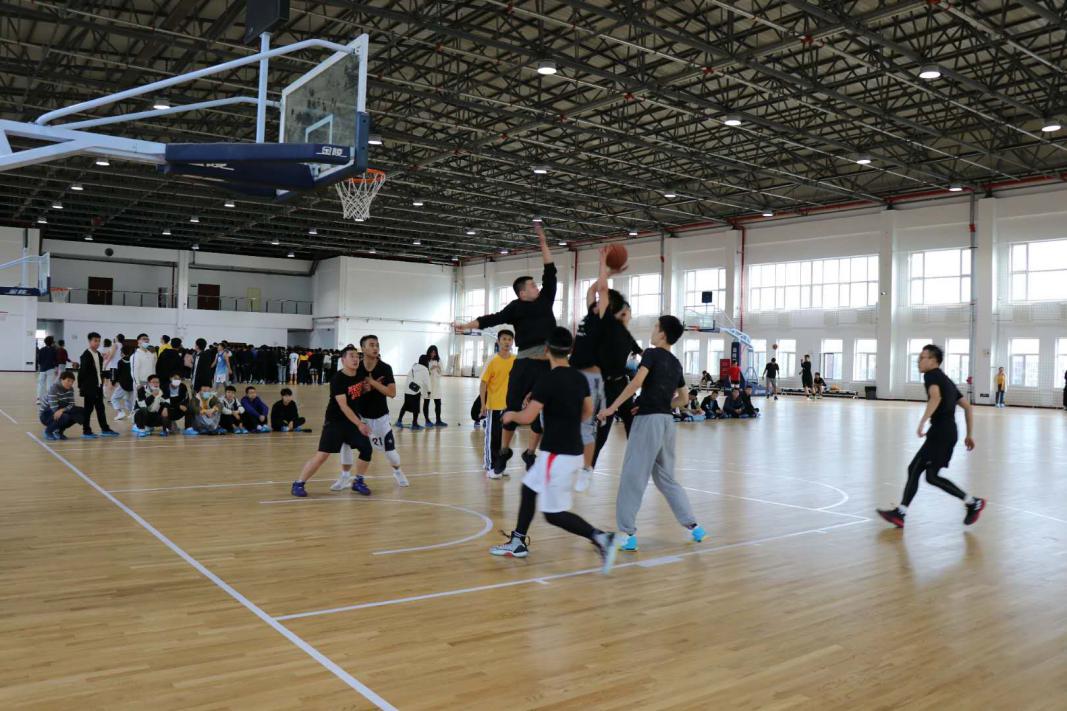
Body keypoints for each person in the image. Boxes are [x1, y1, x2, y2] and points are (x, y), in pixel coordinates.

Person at [489, 327, 617, 572]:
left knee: (553, 514)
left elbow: (528, 417)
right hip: (570, 452)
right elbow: (587, 411)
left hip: (556, 455)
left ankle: (601, 537)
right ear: (569, 350)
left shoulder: (547, 379)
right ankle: (518, 542)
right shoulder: (579, 378)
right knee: (528, 488)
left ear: (546, 349)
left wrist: (510, 415)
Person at [455, 223, 556, 475]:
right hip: (524, 364)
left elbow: (550, 269)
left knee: (542, 413)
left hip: (547, 364)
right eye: (532, 285)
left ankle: (530, 453)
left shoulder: (546, 299)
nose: (537, 287)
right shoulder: (515, 307)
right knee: (511, 409)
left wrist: (543, 241)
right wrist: (467, 325)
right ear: (522, 293)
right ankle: (503, 453)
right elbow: (492, 318)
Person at [599, 315, 706, 552]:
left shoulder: (651, 353)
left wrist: (612, 407)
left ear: (663, 334)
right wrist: (661, 405)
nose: (652, 330)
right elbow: (684, 398)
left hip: (648, 423)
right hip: (667, 423)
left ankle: (627, 534)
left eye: (656, 327)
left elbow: (636, 383)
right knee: (666, 478)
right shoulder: (676, 363)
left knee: (633, 475)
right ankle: (694, 527)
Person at [877, 344, 985, 528]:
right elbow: (967, 407)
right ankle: (973, 502)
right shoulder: (946, 380)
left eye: (922, 358)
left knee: (915, 468)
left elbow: (936, 397)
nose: (918, 361)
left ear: (934, 360)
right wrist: (969, 435)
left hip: (940, 432)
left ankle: (901, 513)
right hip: (949, 432)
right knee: (931, 476)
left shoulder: (931, 376)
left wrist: (922, 421)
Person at [569, 247, 626, 491]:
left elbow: (601, 290)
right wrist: (609, 272)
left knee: (588, 426)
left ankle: (587, 469)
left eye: (603, 300)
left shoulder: (604, 320)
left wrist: (604, 264)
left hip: (592, 380)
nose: (597, 299)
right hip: (574, 375)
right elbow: (592, 290)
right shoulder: (590, 315)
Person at [292, 345, 375, 497]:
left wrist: (365, 389)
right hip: (335, 422)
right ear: (343, 360)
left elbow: (355, 393)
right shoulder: (337, 379)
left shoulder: (360, 374)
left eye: (357, 356)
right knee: (322, 455)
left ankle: (358, 481)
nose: (355, 359)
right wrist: (360, 424)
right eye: (351, 356)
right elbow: (343, 405)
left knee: (366, 449)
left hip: (351, 421)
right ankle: (299, 483)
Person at [330, 335, 409, 490]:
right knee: (345, 444)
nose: (375, 348)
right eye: (371, 345)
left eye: (377, 345)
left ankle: (397, 471)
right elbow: (352, 391)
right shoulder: (356, 368)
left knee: (391, 454)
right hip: (360, 417)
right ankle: (345, 477)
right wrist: (366, 388)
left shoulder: (385, 368)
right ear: (363, 348)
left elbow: (392, 393)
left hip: (380, 418)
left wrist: (372, 382)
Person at [591, 292, 641, 468]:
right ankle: (588, 467)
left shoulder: (627, 336)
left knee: (631, 425)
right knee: (602, 432)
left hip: (622, 384)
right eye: (627, 312)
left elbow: (642, 353)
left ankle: (636, 465)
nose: (630, 316)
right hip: (606, 388)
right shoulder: (607, 331)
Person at [480, 330, 515, 479]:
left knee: (504, 439)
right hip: (494, 406)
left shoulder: (515, 360)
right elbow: (483, 383)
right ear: (498, 342)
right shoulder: (492, 361)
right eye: (504, 339)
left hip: (509, 407)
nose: (507, 342)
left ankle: (500, 466)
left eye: (509, 339)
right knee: (493, 438)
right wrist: (483, 404)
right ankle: (490, 466)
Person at [78, 332, 119, 439]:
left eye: (99, 341)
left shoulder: (99, 355)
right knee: (88, 409)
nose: (97, 343)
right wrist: (81, 387)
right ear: (89, 341)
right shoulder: (86, 355)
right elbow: (82, 373)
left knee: (100, 408)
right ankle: (86, 431)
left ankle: (105, 429)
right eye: (95, 341)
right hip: (89, 387)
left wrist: (102, 381)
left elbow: (98, 371)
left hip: (98, 386)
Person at [40, 370, 82, 440]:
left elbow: (72, 405)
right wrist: (63, 411)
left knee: (80, 413)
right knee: (65, 417)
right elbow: (53, 407)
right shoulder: (54, 388)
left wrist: (62, 410)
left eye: (72, 382)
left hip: (60, 410)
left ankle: (59, 432)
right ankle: (48, 431)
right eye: (68, 381)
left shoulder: (70, 389)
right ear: (61, 379)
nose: (70, 383)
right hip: (46, 415)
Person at [397, 355, 430, 429]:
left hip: (407, 390)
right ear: (426, 361)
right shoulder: (425, 369)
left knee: (405, 406)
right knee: (416, 408)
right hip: (416, 391)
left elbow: (408, 378)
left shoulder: (414, 367)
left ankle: (399, 421)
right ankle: (414, 424)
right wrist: (429, 391)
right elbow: (427, 382)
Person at [422, 345, 447, 427]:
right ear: (429, 352)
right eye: (432, 352)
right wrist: (430, 369)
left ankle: (438, 420)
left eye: (434, 352)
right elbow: (423, 372)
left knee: (438, 403)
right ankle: (427, 420)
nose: (433, 354)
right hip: (427, 385)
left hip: (436, 385)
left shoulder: (438, 360)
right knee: (426, 402)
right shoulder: (425, 360)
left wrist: (438, 367)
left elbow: (442, 372)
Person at [110, 349, 135, 420]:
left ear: (123, 353)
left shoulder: (120, 362)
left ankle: (120, 412)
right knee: (129, 400)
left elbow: (118, 373)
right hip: (132, 384)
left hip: (124, 384)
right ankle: (132, 413)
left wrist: (113, 382)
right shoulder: (133, 360)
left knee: (114, 398)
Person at [35, 335, 58, 405]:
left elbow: (39, 360)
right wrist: (56, 368)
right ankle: (49, 399)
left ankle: (38, 399)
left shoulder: (41, 350)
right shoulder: (54, 350)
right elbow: (56, 360)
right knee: (49, 385)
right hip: (50, 369)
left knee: (40, 384)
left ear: (45, 342)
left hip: (42, 369)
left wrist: (40, 367)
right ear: (52, 342)